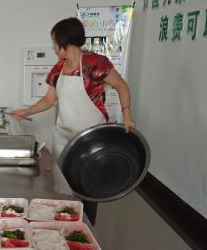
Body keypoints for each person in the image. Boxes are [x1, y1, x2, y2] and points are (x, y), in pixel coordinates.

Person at [11, 17, 135, 224]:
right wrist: (26, 111)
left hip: (91, 139)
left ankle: (87, 227)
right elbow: (49, 100)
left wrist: (127, 115)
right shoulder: (58, 69)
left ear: (66, 42)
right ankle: (65, 225)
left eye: (55, 42)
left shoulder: (96, 64)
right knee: (63, 186)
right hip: (63, 137)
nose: (53, 47)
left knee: (88, 185)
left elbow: (121, 86)